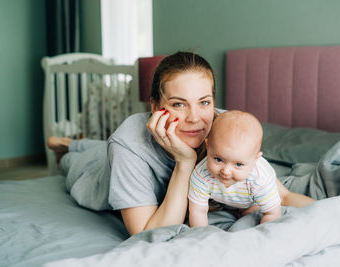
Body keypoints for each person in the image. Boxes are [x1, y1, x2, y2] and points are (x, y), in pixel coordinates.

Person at [47, 51, 315, 237]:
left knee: (98, 146)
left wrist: (330, 209)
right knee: (79, 160)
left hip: (113, 149)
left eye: (204, 102)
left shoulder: (221, 125)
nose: (195, 119)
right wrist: (185, 162)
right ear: (155, 106)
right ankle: (70, 148)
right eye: (178, 104)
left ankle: (77, 142)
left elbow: (282, 195)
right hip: (92, 172)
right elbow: (147, 234)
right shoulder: (127, 143)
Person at [188, 110, 281, 228]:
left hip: (251, 199)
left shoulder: (260, 179)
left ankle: (254, 206)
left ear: (255, 159)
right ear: (208, 146)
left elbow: (272, 214)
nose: (225, 171)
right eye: (218, 159)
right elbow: (197, 212)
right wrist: (201, 236)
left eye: (238, 164)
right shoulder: (201, 174)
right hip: (223, 200)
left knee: (252, 212)